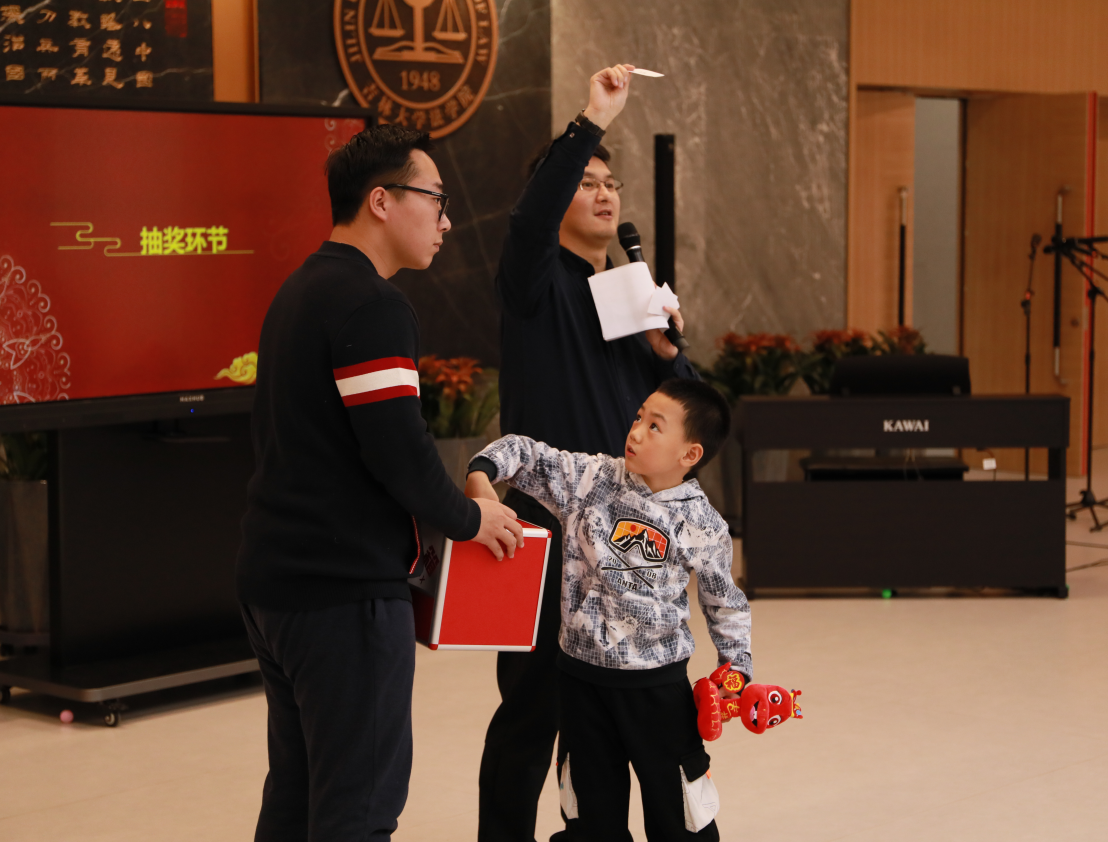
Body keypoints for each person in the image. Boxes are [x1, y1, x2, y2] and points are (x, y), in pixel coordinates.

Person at [236, 125, 525, 842]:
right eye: (436, 199)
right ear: (381, 201)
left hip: (277, 582)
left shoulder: (302, 288)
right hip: (343, 592)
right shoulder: (371, 304)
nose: (447, 221)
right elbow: (398, 449)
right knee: (357, 810)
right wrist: (470, 518)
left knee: (297, 795)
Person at [476, 63, 701, 842]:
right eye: (585, 182)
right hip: (546, 536)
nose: (605, 194)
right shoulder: (533, 285)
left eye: (612, 184)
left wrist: (667, 352)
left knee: (609, 716)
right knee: (531, 709)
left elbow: (685, 421)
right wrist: (591, 121)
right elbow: (528, 221)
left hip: (626, 543)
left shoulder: (625, 297)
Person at [466, 378, 751, 841]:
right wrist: (481, 476)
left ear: (690, 454)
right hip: (579, 684)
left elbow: (726, 605)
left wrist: (736, 669)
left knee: (680, 813)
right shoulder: (591, 479)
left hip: (657, 690)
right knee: (589, 815)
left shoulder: (703, 523)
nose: (635, 431)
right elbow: (522, 450)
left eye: (655, 426)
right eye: (639, 417)